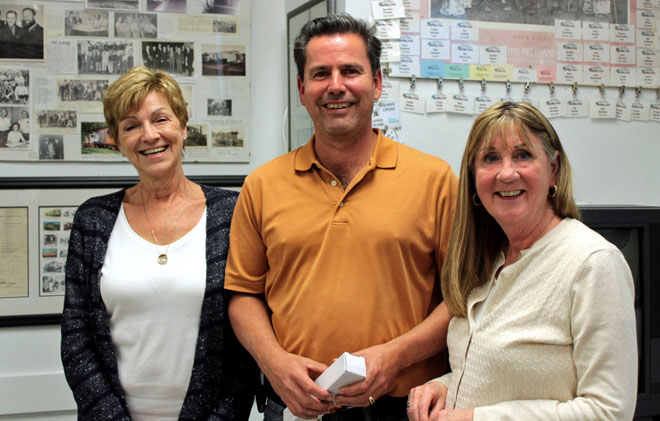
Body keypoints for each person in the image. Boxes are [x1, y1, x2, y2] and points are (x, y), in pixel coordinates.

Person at [224, 14, 457, 421]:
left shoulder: (434, 180)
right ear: (301, 89)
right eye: (320, 74)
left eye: (350, 70)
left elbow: (462, 297)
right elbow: (243, 295)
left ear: (377, 83)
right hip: (297, 407)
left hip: (405, 409)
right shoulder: (262, 185)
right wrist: (275, 364)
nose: (336, 86)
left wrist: (395, 356)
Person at [407, 101, 637, 421]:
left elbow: (609, 411)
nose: (506, 172)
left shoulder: (593, 264)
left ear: (554, 170)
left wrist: (475, 419)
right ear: (474, 179)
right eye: (490, 158)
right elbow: (501, 377)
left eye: (523, 155)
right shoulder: (487, 260)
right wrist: (444, 387)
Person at [60, 66, 256, 420]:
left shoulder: (232, 214)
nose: (149, 135)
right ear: (117, 142)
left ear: (183, 127)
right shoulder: (93, 220)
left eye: (160, 119)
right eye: (131, 125)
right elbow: (77, 340)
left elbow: (246, 338)